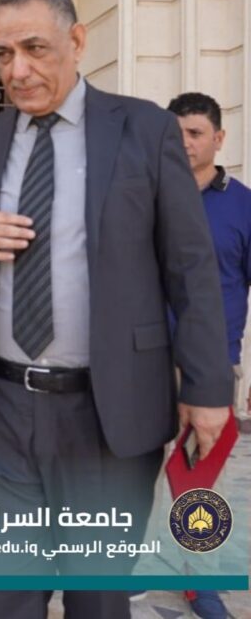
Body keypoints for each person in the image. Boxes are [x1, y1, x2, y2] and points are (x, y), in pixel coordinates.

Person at [0, 0, 232, 619]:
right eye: (3, 54)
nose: (17, 71)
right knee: (0, 598)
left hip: (108, 414)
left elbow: (191, 267)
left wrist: (208, 387)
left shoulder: (144, 131)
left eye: (34, 48)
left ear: (77, 41)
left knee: (97, 597)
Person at [166, 91, 251, 619]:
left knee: (201, 480)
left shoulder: (244, 205)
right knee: (134, 473)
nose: (184, 143)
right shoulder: (147, 197)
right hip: (146, 361)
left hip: (216, 365)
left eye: (195, 134)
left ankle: (200, 580)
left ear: (218, 139)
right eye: (175, 134)